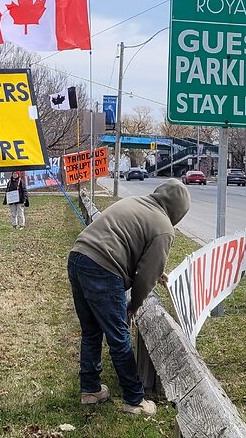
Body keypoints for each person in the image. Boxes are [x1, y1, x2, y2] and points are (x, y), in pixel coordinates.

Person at [68, 179, 190, 417]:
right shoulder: (164, 227)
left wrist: (155, 272)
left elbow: (128, 244)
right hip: (103, 268)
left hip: (78, 257)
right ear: (178, 211)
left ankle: (90, 390)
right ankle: (134, 400)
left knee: (91, 331)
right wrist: (133, 306)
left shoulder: (137, 202)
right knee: (119, 336)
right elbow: (145, 278)